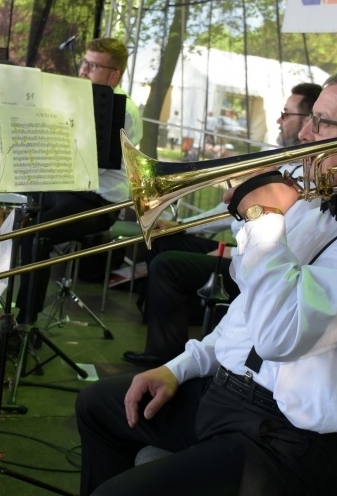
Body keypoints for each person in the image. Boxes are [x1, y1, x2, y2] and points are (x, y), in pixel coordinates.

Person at [76, 67, 337, 496]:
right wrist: (179, 367)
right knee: (96, 405)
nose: (304, 133)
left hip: (289, 445)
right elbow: (249, 313)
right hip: (229, 397)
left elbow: (277, 338)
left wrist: (263, 221)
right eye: (309, 118)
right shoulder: (314, 197)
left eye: (321, 122)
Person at [123, 82, 323, 367]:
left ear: (307, 120)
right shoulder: (284, 162)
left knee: (167, 266)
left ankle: (166, 355)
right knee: (165, 241)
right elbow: (227, 212)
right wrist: (179, 225)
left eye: (286, 114)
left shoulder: (310, 175)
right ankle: (158, 330)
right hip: (242, 250)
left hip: (254, 263)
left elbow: (288, 241)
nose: (279, 120)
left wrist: (229, 253)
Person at [15, 37, 142, 325]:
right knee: (13, 213)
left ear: (114, 74)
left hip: (100, 198)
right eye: (84, 62)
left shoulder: (122, 109)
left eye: (93, 66)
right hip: (70, 186)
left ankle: (25, 322)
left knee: (37, 235)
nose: (83, 70)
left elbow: (89, 156)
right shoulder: (81, 97)